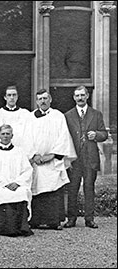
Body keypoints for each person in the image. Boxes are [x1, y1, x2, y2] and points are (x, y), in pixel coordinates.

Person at [26, 89, 77, 230]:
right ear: (36, 102)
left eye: (45, 98)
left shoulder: (58, 116)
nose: (43, 101)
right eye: (40, 99)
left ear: (50, 100)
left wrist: (52, 155)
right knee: (37, 188)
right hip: (37, 162)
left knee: (53, 189)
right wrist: (34, 155)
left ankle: (53, 221)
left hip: (52, 161)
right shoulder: (30, 118)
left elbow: (63, 137)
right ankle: (36, 221)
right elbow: (26, 138)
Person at [64, 86, 108, 229]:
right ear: (73, 98)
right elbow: (65, 138)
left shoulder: (96, 114)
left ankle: (90, 219)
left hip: (90, 158)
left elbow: (104, 134)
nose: (80, 98)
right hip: (74, 158)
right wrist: (67, 159)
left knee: (89, 188)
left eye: (82, 95)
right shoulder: (68, 115)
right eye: (77, 96)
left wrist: (96, 134)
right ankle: (71, 219)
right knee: (72, 189)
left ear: (87, 96)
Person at [0, 124, 34, 237]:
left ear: (12, 135)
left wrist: (17, 183)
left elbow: (27, 170)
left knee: (22, 193)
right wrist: (5, 184)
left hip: (17, 185)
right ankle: (6, 228)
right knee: (2, 194)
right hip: (0, 185)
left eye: (8, 134)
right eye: (3, 134)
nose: (5, 136)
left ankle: (22, 227)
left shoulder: (19, 151)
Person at [0, 86, 31, 150]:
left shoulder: (25, 114)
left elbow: (28, 135)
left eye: (14, 95)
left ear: (17, 97)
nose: (12, 97)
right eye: (9, 95)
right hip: (3, 149)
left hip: (21, 149)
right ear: (5, 97)